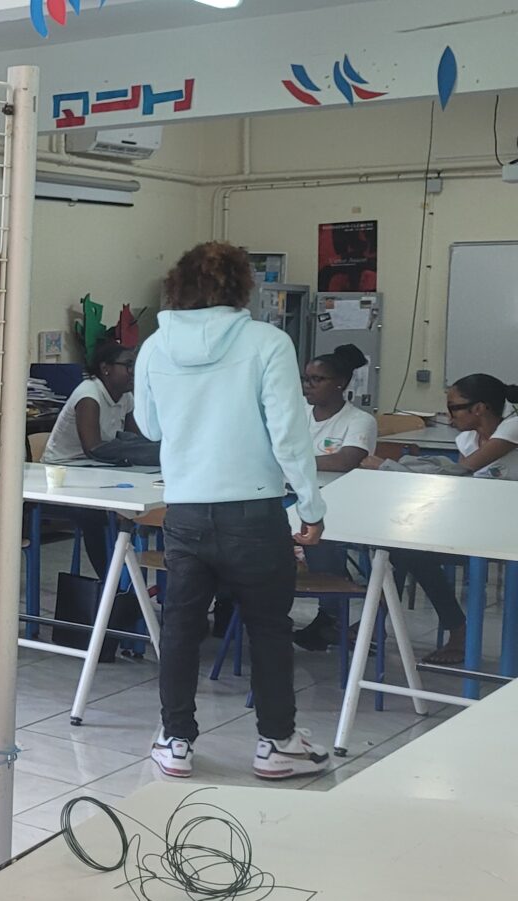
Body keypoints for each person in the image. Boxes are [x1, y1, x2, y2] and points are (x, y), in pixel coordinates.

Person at [135, 241, 328, 781]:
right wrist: (310, 506)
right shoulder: (268, 342)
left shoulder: (154, 346)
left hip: (186, 510)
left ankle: (175, 741)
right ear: (243, 286)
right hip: (254, 512)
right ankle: (277, 743)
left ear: (177, 285)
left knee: (181, 627)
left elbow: (149, 427)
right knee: (269, 628)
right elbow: (289, 435)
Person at [358, 374, 518, 663]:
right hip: (478, 523)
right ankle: (380, 623)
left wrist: (388, 467)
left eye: (454, 408)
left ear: (479, 408)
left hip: (508, 529)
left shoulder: (512, 427)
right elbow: (452, 484)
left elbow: (458, 473)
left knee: (409, 549)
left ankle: (378, 624)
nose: (448, 416)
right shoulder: (467, 439)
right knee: (401, 547)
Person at [289, 345, 378, 651]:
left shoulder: (359, 420)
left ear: (340, 382)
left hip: (336, 500)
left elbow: (346, 460)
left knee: (319, 537)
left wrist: (294, 462)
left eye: (317, 379)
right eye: (306, 379)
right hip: (289, 493)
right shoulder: (297, 413)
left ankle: (331, 617)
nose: (308, 385)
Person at [40, 340, 139, 577]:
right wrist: (130, 449)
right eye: (127, 365)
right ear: (106, 368)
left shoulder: (125, 397)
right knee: (96, 515)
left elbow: (135, 441)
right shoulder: (89, 395)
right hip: (63, 476)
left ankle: (128, 581)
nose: (133, 372)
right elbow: (93, 448)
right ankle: (110, 582)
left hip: (96, 471)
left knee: (134, 507)